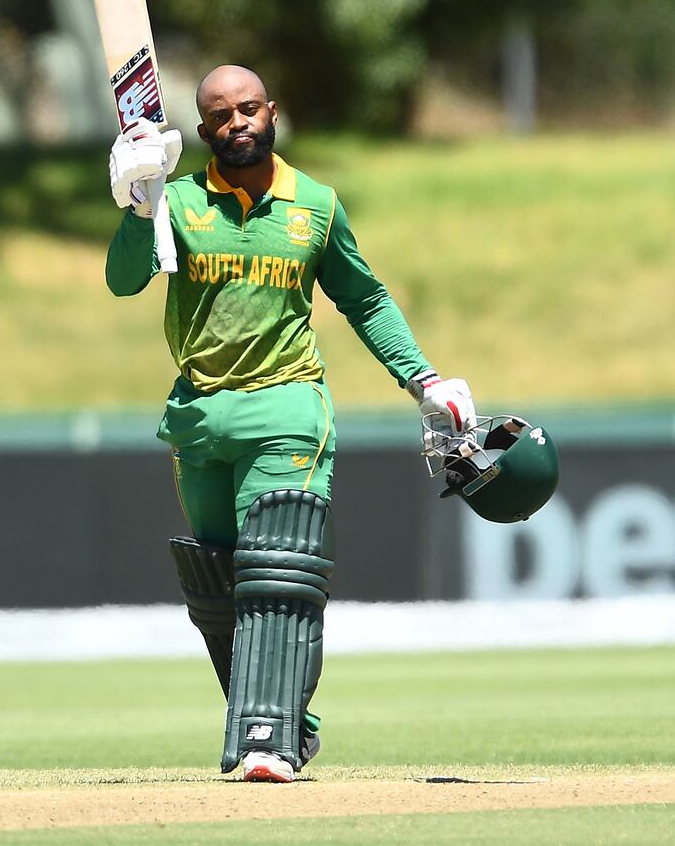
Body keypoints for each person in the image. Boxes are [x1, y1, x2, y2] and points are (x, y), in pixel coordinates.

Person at [105, 64, 476, 783]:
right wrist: (136, 202)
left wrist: (422, 379)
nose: (238, 121)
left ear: (271, 112)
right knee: (220, 587)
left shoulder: (317, 204)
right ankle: (282, 721)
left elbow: (364, 300)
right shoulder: (177, 202)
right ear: (204, 128)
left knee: (275, 571)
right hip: (201, 416)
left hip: (289, 407)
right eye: (221, 114)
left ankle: (266, 741)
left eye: (249, 108)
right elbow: (123, 279)